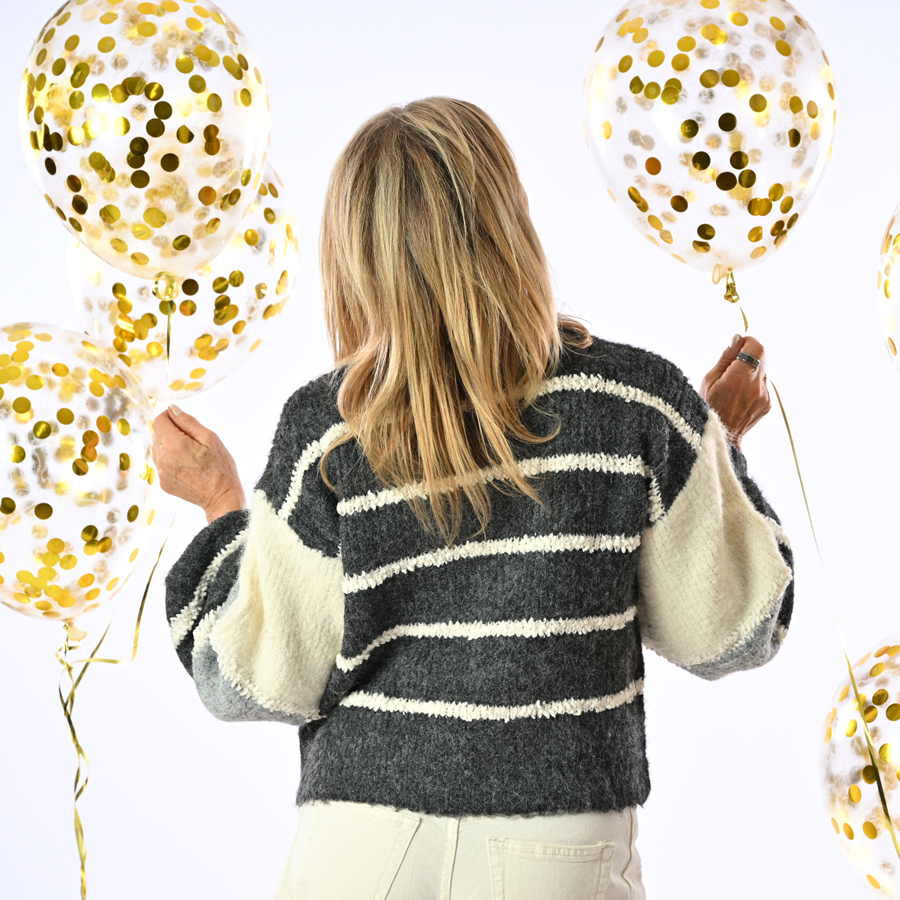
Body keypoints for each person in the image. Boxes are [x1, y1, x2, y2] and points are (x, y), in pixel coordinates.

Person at [154, 97, 793, 900]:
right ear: (511, 214)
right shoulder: (638, 403)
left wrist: (220, 502)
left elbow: (249, 678)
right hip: (557, 842)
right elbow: (731, 634)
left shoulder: (329, 429)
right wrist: (718, 442)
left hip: (359, 847)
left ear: (353, 250)